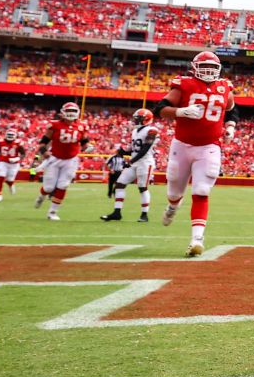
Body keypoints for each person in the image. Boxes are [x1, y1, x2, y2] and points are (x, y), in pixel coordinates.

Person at [154, 51, 239, 257]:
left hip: (210, 146)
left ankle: (196, 239)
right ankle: (173, 207)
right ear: (194, 68)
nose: (209, 72)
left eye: (213, 68)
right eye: (205, 68)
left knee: (202, 190)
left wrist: (230, 126)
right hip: (182, 145)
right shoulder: (184, 84)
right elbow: (160, 109)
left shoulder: (224, 86)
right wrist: (180, 112)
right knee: (174, 191)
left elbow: (231, 109)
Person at [32, 103, 91, 220]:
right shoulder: (54, 125)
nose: (71, 112)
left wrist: (87, 147)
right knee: (48, 188)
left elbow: (84, 142)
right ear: (62, 112)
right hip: (54, 159)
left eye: (73, 110)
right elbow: (43, 142)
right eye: (68, 110)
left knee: (63, 185)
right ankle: (41, 196)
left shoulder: (82, 126)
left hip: (71, 160)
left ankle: (52, 212)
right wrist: (44, 152)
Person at [101, 109, 159, 223]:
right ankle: (117, 212)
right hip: (135, 161)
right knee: (120, 184)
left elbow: (144, 150)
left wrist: (131, 161)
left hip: (145, 162)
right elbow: (134, 150)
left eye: (139, 118)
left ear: (146, 120)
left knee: (142, 187)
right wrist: (122, 152)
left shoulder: (152, 130)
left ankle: (144, 214)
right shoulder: (135, 131)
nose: (136, 120)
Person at [0, 128, 25, 202]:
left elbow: (23, 154)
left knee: (10, 180)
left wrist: (17, 158)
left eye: (12, 135)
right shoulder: (1, 142)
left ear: (15, 135)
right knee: (0, 177)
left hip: (14, 164)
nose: (10, 136)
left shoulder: (18, 143)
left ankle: (11, 184)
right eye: (9, 134)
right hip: (2, 162)